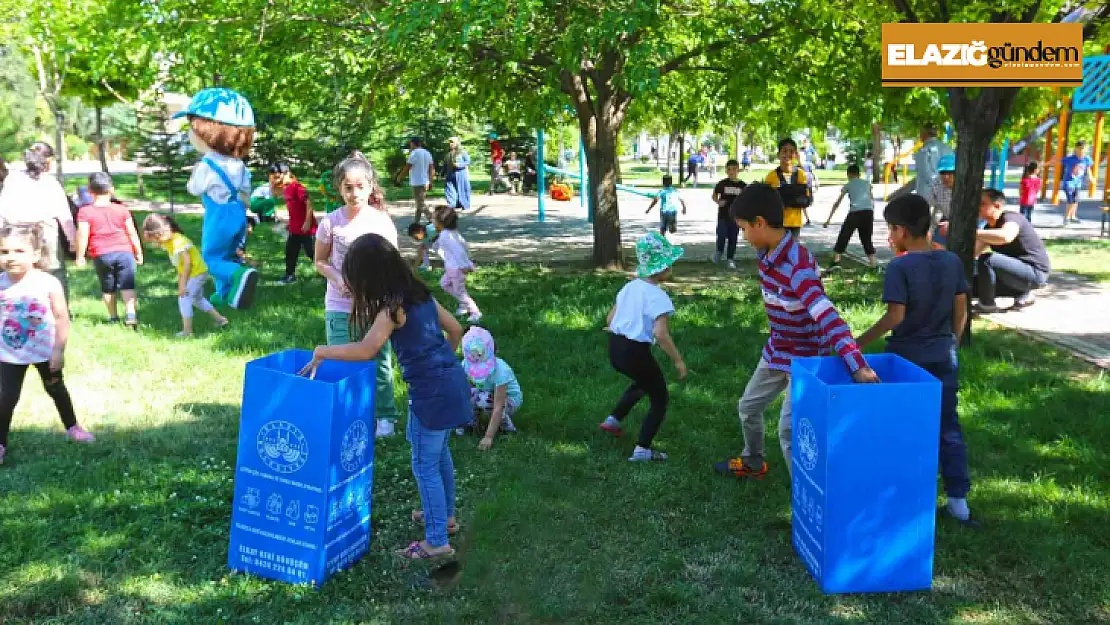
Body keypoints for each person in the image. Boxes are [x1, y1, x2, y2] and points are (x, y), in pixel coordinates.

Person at [299, 233, 470, 560]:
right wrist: (440, 365)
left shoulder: (393, 309)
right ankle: (445, 518)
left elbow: (367, 349)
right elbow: (456, 331)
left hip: (430, 395)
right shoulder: (422, 297)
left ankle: (436, 541)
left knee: (424, 465)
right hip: (453, 383)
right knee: (439, 454)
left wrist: (323, 350)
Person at [714, 184, 878, 480]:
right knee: (748, 407)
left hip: (804, 360)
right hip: (777, 351)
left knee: (789, 430)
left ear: (760, 223)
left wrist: (858, 365)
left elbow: (829, 318)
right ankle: (753, 461)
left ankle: (806, 498)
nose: (742, 236)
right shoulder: (766, 253)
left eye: (743, 229)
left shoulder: (797, 267)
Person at [855, 194, 978, 528]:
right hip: (943, 358)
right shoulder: (951, 260)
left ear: (903, 230)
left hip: (906, 359)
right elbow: (961, 309)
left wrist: (855, 344)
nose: (889, 237)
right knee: (947, 427)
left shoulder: (900, 266)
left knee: (900, 428)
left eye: (890, 230)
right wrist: (950, 342)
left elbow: (895, 316)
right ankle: (959, 504)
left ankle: (900, 497)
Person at [315, 152, 401, 438]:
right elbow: (320, 261)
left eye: (360, 186)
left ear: (371, 186)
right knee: (341, 360)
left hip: (375, 306)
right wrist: (338, 278)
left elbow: (393, 263)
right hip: (339, 305)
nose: (354, 194)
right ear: (339, 188)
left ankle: (385, 416)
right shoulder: (330, 223)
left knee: (378, 361)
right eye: (348, 187)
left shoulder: (381, 222)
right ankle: (348, 413)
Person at [0, 223, 94, 466]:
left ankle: (72, 426)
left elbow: (62, 317)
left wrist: (58, 351)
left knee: (56, 388)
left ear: (35, 254)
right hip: (8, 353)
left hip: (44, 351)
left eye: (19, 251)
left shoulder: (48, 283)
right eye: (4, 252)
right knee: (5, 398)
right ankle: (0, 443)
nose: (11, 257)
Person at [599, 231, 687, 462]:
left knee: (644, 381)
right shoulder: (659, 297)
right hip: (635, 351)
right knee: (660, 398)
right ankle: (642, 449)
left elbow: (610, 319)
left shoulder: (630, 287)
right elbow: (661, 334)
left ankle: (613, 420)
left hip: (615, 347)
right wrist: (677, 360)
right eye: (670, 263)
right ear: (662, 268)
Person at [174, 88, 259, 310]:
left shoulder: (207, 164)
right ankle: (225, 295)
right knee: (228, 254)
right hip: (237, 213)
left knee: (211, 260)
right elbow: (245, 190)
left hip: (218, 215)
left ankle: (240, 274)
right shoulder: (238, 164)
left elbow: (194, 188)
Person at [0, 143, 78, 300]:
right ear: (47, 161)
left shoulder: (12, 180)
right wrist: (73, 240)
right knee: (54, 272)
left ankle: (23, 304)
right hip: (45, 232)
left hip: (17, 232)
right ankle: (59, 309)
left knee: (19, 271)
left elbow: (3, 211)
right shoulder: (50, 182)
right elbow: (64, 215)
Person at [141, 214, 229, 337]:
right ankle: (221, 319)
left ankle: (187, 331)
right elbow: (180, 267)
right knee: (197, 299)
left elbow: (187, 264)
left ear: (161, 233)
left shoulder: (179, 242)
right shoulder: (168, 241)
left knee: (184, 299)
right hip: (195, 272)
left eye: (156, 239)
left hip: (196, 273)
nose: (157, 242)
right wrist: (180, 283)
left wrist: (182, 286)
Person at [75, 173, 143, 326]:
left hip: (101, 254)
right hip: (125, 252)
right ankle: (131, 314)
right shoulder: (122, 209)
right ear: (111, 189)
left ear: (89, 191)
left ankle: (113, 317)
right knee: (127, 285)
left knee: (108, 286)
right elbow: (132, 232)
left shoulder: (85, 212)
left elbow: (82, 236)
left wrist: (80, 256)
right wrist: (138, 251)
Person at [974, 188, 1051, 312]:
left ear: (997, 206)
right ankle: (1022, 293)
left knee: (987, 260)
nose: (977, 207)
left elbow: (1006, 236)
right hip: (1015, 275)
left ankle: (987, 305)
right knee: (973, 286)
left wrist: (973, 233)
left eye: (982, 204)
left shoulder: (1011, 218)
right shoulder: (989, 228)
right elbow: (972, 253)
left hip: (1035, 272)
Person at [461, 326, 522, 451]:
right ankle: (471, 423)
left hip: (509, 400)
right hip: (486, 393)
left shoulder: (501, 371)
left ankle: (507, 427)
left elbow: (498, 406)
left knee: (484, 400)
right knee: (466, 393)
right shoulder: (466, 364)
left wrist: (488, 437)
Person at [431, 206, 481, 323]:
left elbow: (459, 251)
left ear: (441, 222)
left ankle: (475, 312)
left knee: (460, 291)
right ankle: (464, 305)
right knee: (444, 284)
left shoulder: (446, 235)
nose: (431, 221)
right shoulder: (449, 233)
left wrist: (465, 265)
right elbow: (464, 245)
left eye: (433, 219)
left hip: (457, 269)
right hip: (451, 267)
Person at [269, 163, 316, 285]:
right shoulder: (287, 188)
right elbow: (274, 194)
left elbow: (309, 204)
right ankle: (289, 276)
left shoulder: (297, 187)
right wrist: (272, 182)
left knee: (312, 253)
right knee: (290, 252)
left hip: (306, 229)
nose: (277, 179)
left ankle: (329, 275)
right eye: (274, 177)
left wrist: (307, 222)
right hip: (295, 229)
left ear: (287, 173)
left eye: (278, 176)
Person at [823, 164, 876, 269]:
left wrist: (828, 220)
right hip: (868, 213)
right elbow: (871, 199)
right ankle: (873, 264)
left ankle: (836, 261)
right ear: (859, 174)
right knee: (866, 238)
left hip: (855, 212)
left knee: (844, 235)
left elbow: (837, 202)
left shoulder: (848, 184)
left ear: (848, 174)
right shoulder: (867, 183)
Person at [764, 138, 812, 237]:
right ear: (778, 154)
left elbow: (805, 199)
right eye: (784, 151)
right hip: (777, 223)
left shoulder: (800, 174)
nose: (788, 154)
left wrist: (784, 195)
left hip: (795, 223)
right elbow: (767, 201)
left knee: (792, 251)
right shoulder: (771, 176)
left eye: (791, 151)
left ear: (795, 155)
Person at [711, 159, 746, 269]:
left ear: (738, 170)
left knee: (733, 238)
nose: (732, 172)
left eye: (734, 169)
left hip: (736, 218)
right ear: (726, 171)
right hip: (723, 215)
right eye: (729, 169)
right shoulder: (722, 184)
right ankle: (718, 253)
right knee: (721, 235)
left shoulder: (742, 185)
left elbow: (746, 199)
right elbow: (714, 195)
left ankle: (730, 259)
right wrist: (718, 201)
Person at [398, 137, 435, 222]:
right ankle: (416, 222)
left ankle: (433, 219)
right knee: (419, 203)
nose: (410, 146)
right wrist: (430, 181)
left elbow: (407, 167)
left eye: (411, 144)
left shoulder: (414, 153)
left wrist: (400, 178)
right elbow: (431, 168)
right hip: (425, 181)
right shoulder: (427, 153)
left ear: (414, 143)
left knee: (420, 204)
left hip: (417, 182)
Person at [924, 154, 956, 248]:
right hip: (946, 219)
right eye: (943, 172)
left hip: (967, 221)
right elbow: (928, 206)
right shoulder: (937, 184)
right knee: (934, 244)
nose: (946, 177)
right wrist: (928, 229)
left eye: (950, 172)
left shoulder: (966, 186)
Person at [914, 123, 954, 196]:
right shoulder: (948, 148)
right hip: (946, 192)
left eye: (920, 133)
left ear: (924, 133)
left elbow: (925, 172)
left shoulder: (923, 150)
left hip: (927, 194)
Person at [1059, 141, 1093, 225]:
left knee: (1075, 200)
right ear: (1076, 149)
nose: (1081, 151)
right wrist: (1046, 164)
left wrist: (1091, 177)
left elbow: (1088, 169)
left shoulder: (1087, 159)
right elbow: (1059, 161)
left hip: (1078, 183)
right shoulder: (1070, 158)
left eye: (1083, 149)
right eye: (1079, 149)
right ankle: (1066, 218)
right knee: (1071, 200)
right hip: (1069, 182)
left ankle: (1073, 216)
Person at [443, 137, 472, 211]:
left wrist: (459, 164)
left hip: (460, 174)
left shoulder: (462, 152)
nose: (451, 144)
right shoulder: (448, 153)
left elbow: (468, 161)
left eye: (452, 142)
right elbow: (445, 164)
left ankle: (464, 204)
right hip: (450, 174)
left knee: (462, 189)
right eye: (450, 142)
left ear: (457, 143)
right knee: (449, 189)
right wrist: (443, 173)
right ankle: (452, 204)